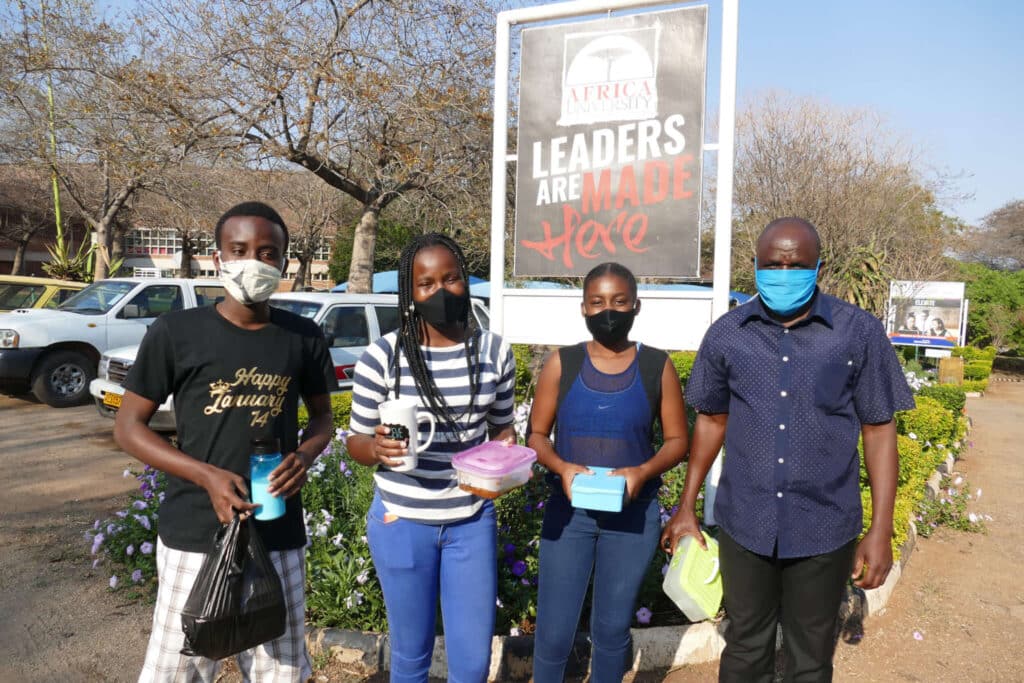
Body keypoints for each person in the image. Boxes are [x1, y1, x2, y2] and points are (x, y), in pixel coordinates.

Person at [661, 217, 915, 683]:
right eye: (772, 264)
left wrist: (881, 529)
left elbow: (879, 429)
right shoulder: (728, 333)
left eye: (795, 264)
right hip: (745, 523)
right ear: (755, 265)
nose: (783, 273)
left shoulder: (857, 333)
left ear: (818, 266)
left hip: (824, 524)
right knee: (744, 649)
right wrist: (686, 506)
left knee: (811, 656)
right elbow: (711, 420)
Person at [114, 201, 338, 682]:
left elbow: (323, 417)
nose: (253, 262)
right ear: (218, 258)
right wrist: (206, 476)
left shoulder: (302, 336)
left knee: (281, 669)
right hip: (196, 530)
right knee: (178, 668)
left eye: (267, 252)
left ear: (283, 261)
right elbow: (128, 426)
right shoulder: (176, 332)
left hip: (277, 528)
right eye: (239, 250)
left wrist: (304, 455)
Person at [346, 233, 516, 683]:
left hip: (471, 519)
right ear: (410, 293)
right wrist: (376, 448)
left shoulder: (494, 352)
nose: (441, 290)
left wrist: (505, 459)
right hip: (401, 522)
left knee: (472, 664)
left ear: (465, 281)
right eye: (426, 283)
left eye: (451, 278)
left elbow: (502, 429)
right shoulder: (383, 357)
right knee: (410, 657)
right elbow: (355, 441)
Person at [528, 262, 690, 683]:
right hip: (569, 515)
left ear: (636, 305)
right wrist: (561, 467)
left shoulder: (656, 366)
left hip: (632, 516)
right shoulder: (562, 363)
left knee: (612, 629)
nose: (608, 311)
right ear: (583, 308)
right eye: (597, 302)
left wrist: (642, 471)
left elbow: (677, 441)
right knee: (553, 632)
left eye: (619, 301)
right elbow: (536, 436)